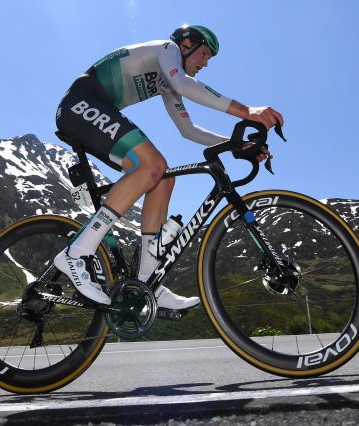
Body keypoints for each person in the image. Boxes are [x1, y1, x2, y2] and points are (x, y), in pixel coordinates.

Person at [53, 25, 284, 309]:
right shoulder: (167, 49)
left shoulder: (168, 83)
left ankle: (148, 280)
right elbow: (185, 85)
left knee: (163, 177)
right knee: (152, 165)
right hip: (81, 102)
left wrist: (236, 144)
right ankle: (77, 253)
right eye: (204, 54)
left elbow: (188, 129)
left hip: (96, 110)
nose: (206, 63)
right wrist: (246, 111)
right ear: (186, 44)